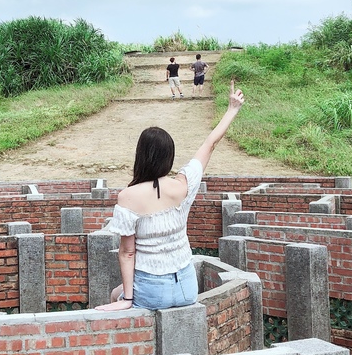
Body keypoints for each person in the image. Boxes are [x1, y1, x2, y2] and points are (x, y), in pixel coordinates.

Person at [95, 80, 245, 311]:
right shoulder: (182, 185)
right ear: (169, 157)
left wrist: (126, 299)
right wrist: (232, 109)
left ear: (140, 156)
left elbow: (127, 252)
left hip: (153, 290)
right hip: (187, 287)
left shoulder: (128, 196)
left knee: (116, 294)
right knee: (117, 292)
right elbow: (210, 144)